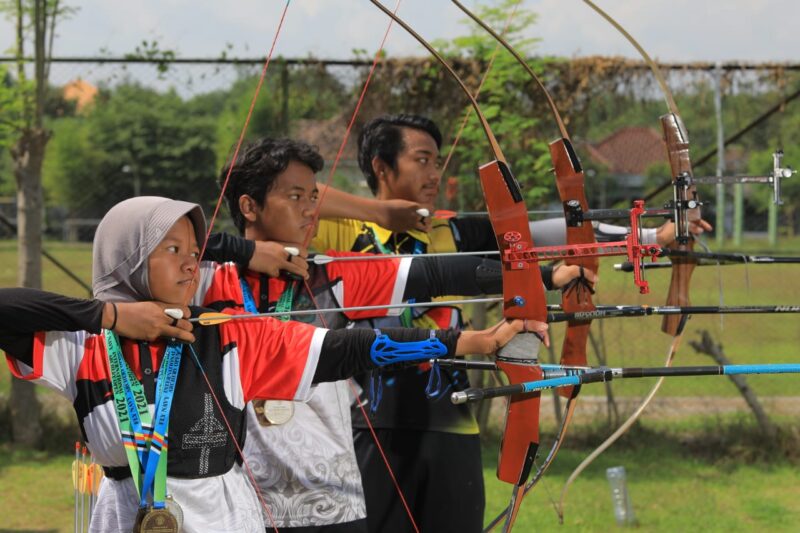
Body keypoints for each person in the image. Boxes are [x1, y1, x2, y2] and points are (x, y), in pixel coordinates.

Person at [0, 196, 535, 533]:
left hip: (225, 514)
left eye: (196, 249)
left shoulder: (229, 335)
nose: (192, 261)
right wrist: (111, 315)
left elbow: (348, 349)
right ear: (128, 261)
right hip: (126, 515)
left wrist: (471, 340)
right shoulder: (83, 344)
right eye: (170, 249)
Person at [313, 113, 711, 533]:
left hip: (451, 421)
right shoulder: (340, 229)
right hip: (369, 423)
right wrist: (380, 212)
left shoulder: (449, 229)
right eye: (422, 160)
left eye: (437, 161)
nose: (435, 172)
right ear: (381, 165)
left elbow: (551, 233)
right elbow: (293, 193)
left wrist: (652, 237)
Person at [201, 137, 587, 532]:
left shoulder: (331, 274)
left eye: (313, 197)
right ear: (249, 206)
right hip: (236, 506)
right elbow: (146, 236)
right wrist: (244, 252)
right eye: (295, 196)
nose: (309, 211)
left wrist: (543, 277)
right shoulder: (204, 281)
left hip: (330, 506)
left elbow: (435, 273)